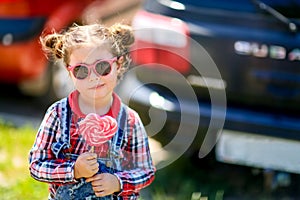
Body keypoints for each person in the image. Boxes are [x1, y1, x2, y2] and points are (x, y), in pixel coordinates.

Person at [28, 22, 155, 200]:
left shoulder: (130, 120)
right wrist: (73, 170)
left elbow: (145, 170)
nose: (93, 77)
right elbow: (36, 165)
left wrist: (118, 182)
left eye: (102, 67)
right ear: (69, 72)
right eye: (81, 70)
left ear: (118, 64)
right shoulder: (57, 114)